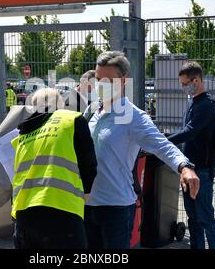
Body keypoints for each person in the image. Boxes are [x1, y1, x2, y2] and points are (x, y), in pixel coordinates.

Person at [85, 51, 200, 249]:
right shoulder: (91, 112)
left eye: (108, 80)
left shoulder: (134, 117)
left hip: (116, 209)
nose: (101, 85)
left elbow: (161, 145)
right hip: (86, 205)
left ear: (123, 81)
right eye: (98, 79)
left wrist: (184, 166)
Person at [11, 88, 98, 249]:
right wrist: (84, 195)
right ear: (60, 104)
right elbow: (89, 164)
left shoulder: (22, 135)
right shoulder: (71, 120)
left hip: (24, 217)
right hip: (62, 213)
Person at [167, 61, 215, 249]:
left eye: (185, 84)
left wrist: (165, 140)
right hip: (189, 169)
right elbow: (187, 131)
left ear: (196, 80)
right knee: (193, 218)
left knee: (206, 218)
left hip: (202, 171)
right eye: (182, 84)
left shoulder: (205, 106)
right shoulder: (193, 103)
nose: (184, 88)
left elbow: (190, 131)